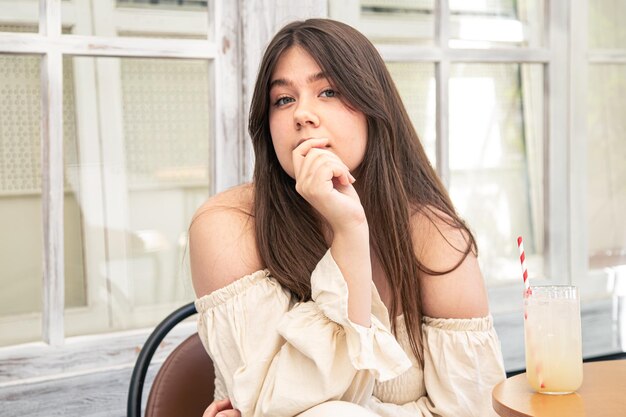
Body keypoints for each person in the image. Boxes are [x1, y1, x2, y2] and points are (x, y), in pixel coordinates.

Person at [189, 18, 506, 417]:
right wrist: (350, 236)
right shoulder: (228, 226)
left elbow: (474, 410)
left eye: (329, 91)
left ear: (374, 107)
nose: (303, 113)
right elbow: (277, 406)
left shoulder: (435, 235)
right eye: (283, 100)